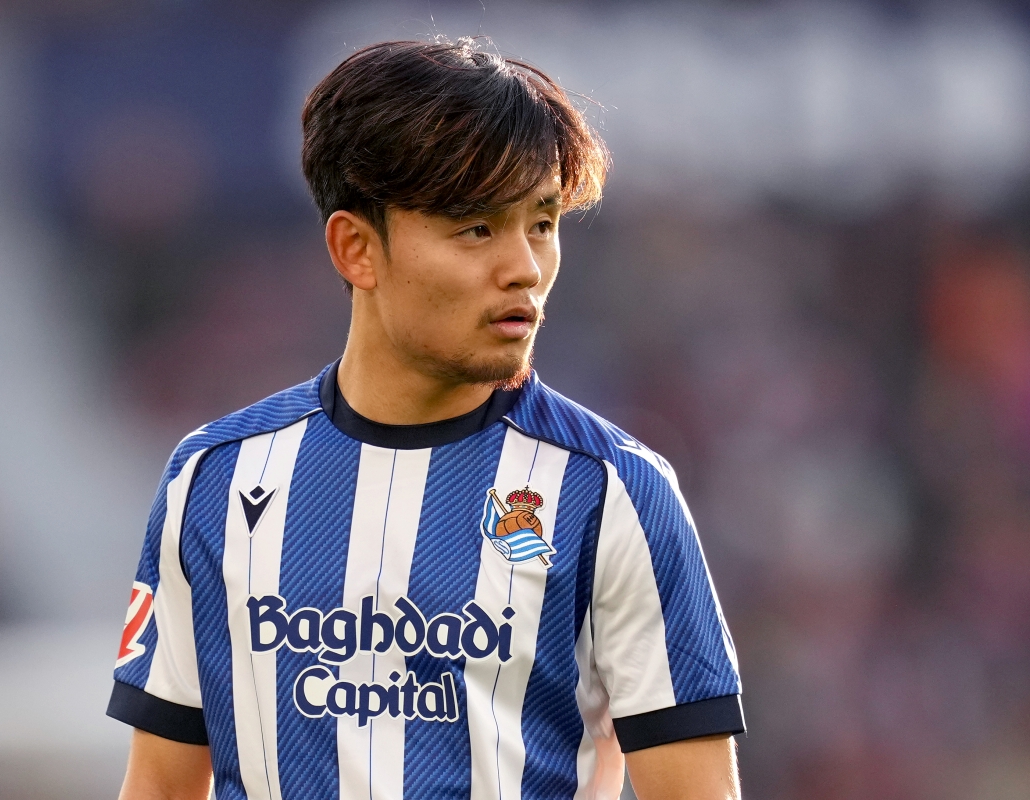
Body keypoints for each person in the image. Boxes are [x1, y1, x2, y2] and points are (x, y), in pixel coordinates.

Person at [107, 37, 745, 800]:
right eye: (477, 228)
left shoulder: (615, 492)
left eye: (542, 224)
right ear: (356, 248)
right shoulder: (215, 479)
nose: (524, 267)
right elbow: (160, 784)